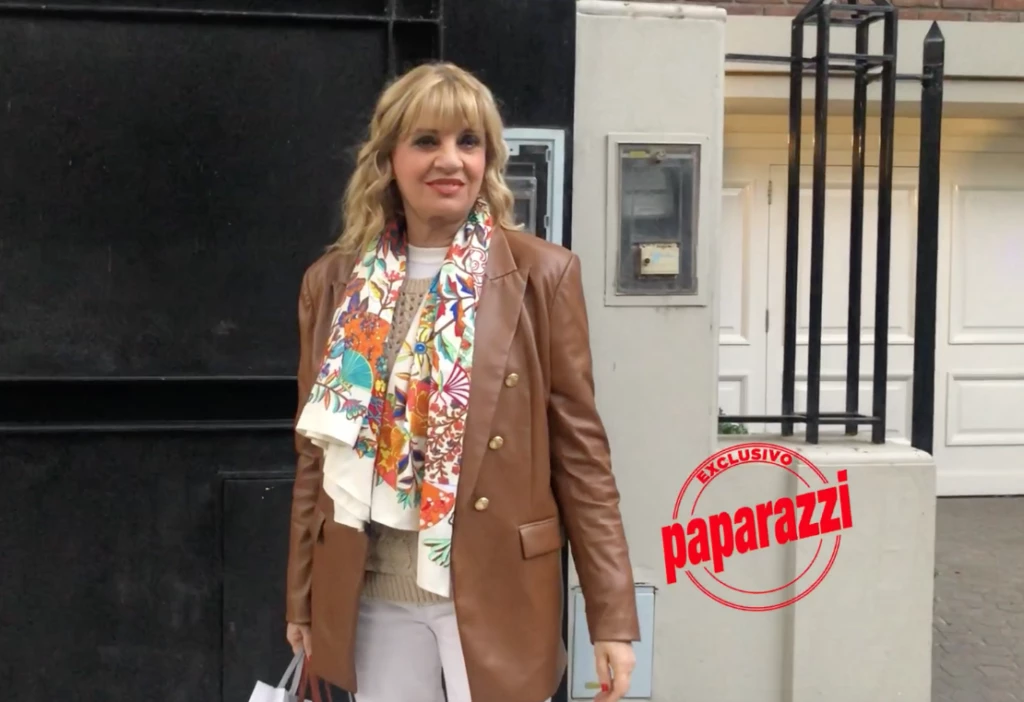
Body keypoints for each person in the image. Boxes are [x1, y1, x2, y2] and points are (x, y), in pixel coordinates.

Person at [283, 61, 640, 702]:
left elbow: (582, 458)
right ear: (389, 158)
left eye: (468, 142)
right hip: (371, 592)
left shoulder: (542, 275)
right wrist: (303, 600)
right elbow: (316, 456)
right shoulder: (334, 283)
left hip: (497, 587)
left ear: (487, 159)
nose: (450, 160)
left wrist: (610, 617)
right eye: (427, 140)